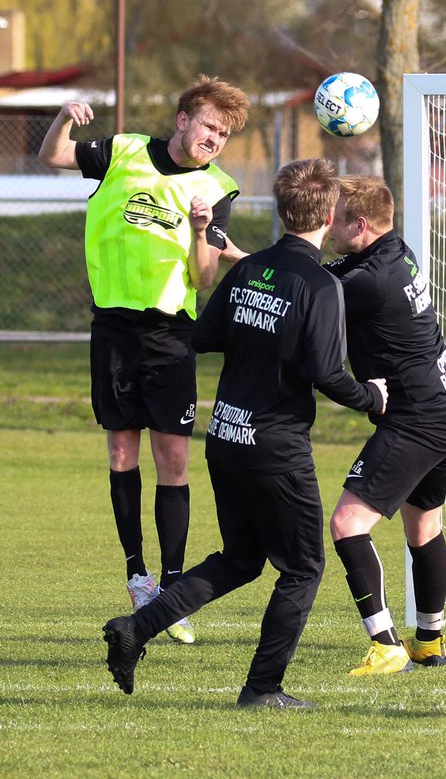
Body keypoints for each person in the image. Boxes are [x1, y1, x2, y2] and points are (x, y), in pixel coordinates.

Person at [101, 158, 388, 708]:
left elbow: (204, 337)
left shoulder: (250, 269)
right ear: (329, 216)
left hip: (226, 438)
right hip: (275, 448)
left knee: (241, 558)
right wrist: (373, 397)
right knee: (303, 567)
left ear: (282, 212)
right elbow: (327, 373)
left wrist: (259, 331)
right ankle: (262, 687)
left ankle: (136, 627)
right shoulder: (321, 285)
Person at [38, 75, 251, 644]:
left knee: (174, 460)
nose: (214, 139)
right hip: (113, 328)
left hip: (171, 335)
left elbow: (203, 279)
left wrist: (201, 231)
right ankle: (138, 577)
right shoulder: (123, 151)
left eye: (224, 134)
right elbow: (53, 155)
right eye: (209, 125)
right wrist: (63, 117)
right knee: (121, 452)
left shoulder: (218, 188)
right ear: (183, 119)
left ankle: (174, 592)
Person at [323, 176, 446, 676]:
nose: (328, 224)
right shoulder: (394, 251)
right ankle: (429, 641)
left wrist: (251, 270)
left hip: (417, 418)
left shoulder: (371, 280)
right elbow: (325, 276)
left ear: (360, 224)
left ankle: (386, 646)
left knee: (347, 525)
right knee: (424, 526)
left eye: (336, 217)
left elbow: (309, 294)